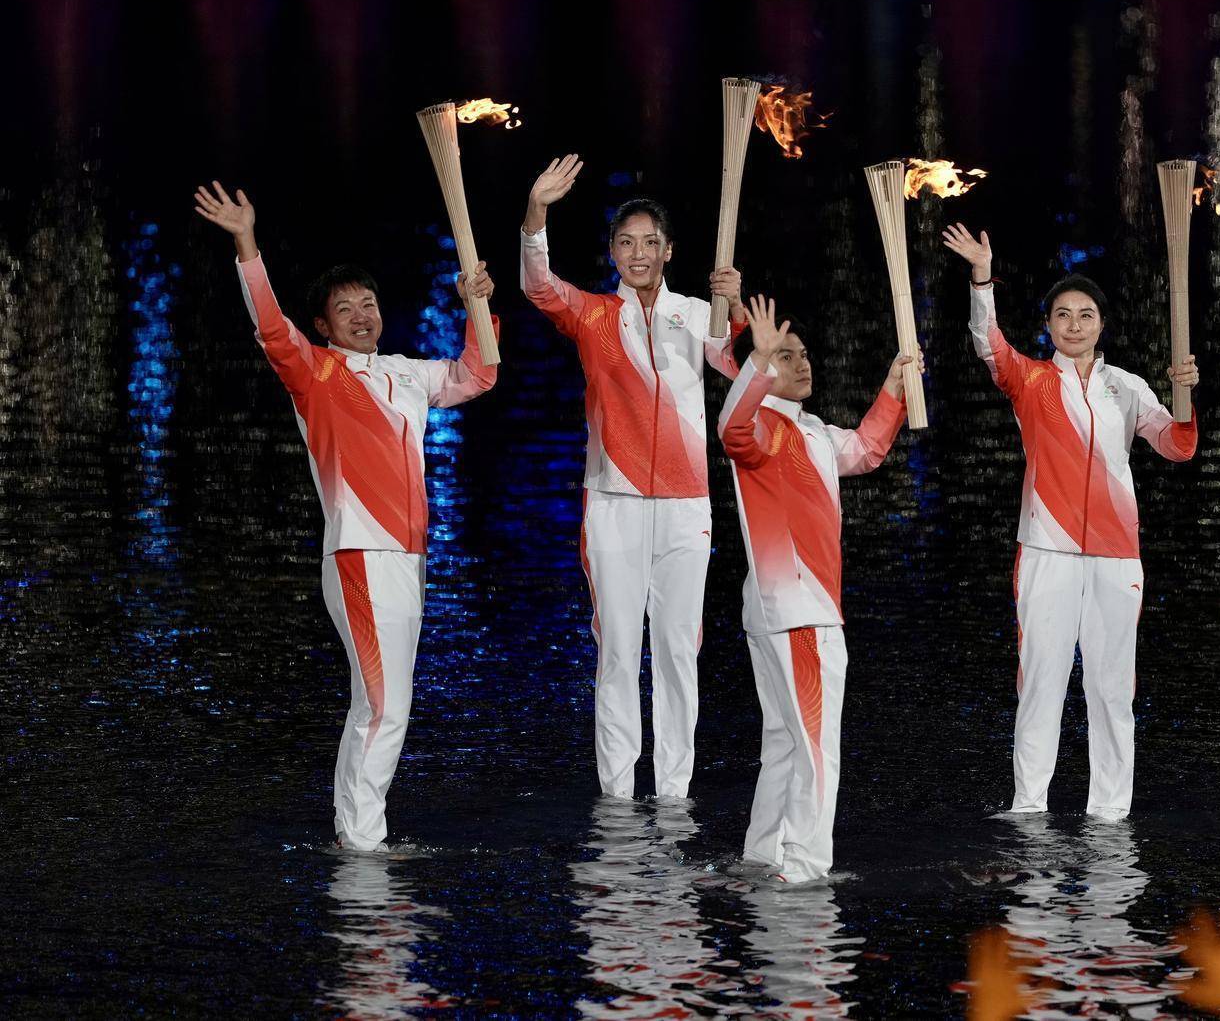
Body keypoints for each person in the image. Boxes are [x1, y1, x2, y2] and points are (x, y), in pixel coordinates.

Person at [194, 181, 499, 850]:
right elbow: (272, 330)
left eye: (368, 304)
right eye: (344, 309)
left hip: (407, 559)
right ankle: (361, 846)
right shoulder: (316, 376)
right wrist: (246, 243)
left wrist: (476, 304)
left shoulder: (408, 373)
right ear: (323, 326)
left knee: (382, 703)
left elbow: (480, 374)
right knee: (384, 706)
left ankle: (358, 837)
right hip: (361, 553)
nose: (361, 316)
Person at [941, 222, 1199, 820]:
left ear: (1101, 325)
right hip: (1047, 552)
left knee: (1111, 689)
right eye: (1063, 315)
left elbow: (1178, 447)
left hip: (1116, 557)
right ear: (1049, 325)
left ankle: (1109, 814)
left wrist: (1186, 400)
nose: (1075, 325)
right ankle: (1029, 807)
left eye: (1086, 316)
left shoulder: (1127, 388)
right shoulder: (1030, 381)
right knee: (1041, 683)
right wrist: (982, 276)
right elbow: (988, 344)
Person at [519, 155, 746, 800]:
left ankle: (673, 792)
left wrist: (733, 305)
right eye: (627, 243)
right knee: (618, 649)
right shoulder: (593, 315)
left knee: (678, 650)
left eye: (650, 243)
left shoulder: (698, 315)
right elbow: (539, 287)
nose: (638, 254)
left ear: (668, 250)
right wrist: (537, 213)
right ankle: (618, 794)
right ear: (613, 252)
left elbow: (740, 367)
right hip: (613, 501)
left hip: (686, 505)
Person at [718, 294, 916, 882]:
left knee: (785, 742)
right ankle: (805, 870)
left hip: (781, 613)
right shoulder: (760, 428)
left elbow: (868, 449)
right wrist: (758, 361)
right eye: (787, 355)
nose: (802, 363)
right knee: (816, 748)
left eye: (802, 354)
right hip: (800, 613)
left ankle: (762, 858)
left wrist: (894, 386)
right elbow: (731, 430)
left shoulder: (812, 432)